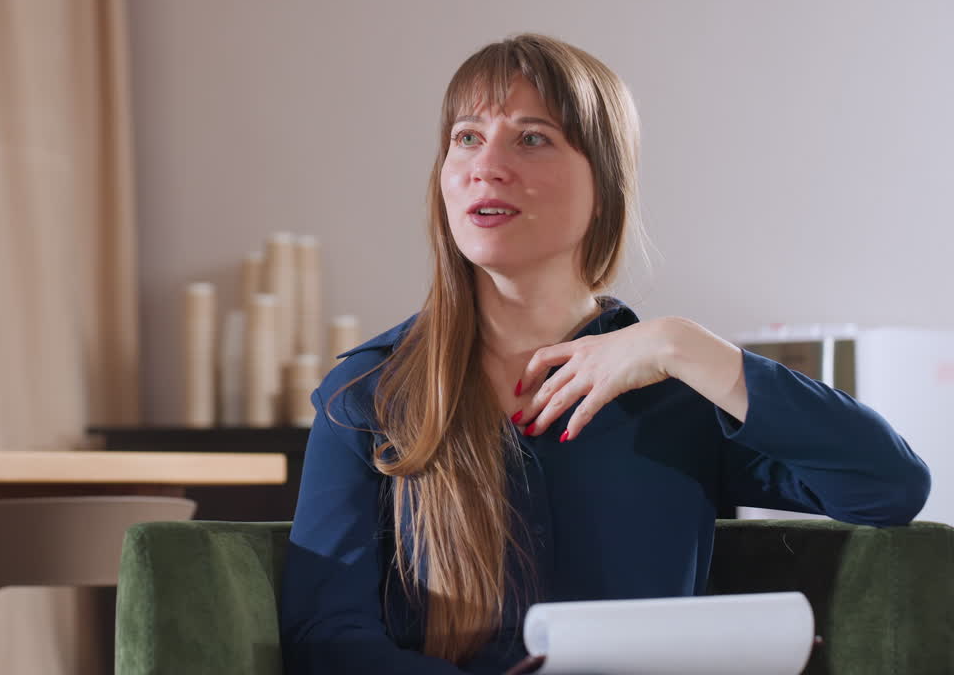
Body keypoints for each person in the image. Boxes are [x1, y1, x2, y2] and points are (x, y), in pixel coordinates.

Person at [278, 33, 931, 675]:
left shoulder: (678, 390)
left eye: (532, 138)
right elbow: (326, 635)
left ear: (605, 186)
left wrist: (680, 344)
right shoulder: (370, 390)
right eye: (467, 137)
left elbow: (888, 485)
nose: (486, 165)